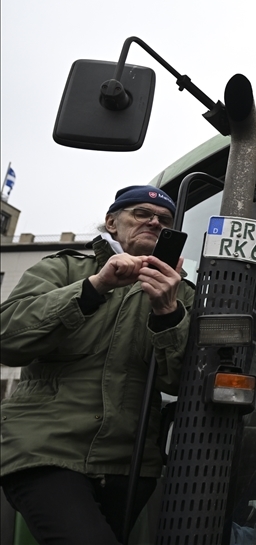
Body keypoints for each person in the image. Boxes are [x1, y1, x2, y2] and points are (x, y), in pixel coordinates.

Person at [0, 185, 194, 544]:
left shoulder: (180, 292)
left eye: (164, 220)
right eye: (141, 214)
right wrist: (94, 287)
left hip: (131, 463)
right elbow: (8, 340)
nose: (154, 221)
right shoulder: (64, 268)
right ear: (111, 223)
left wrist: (168, 313)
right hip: (44, 451)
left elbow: (183, 383)